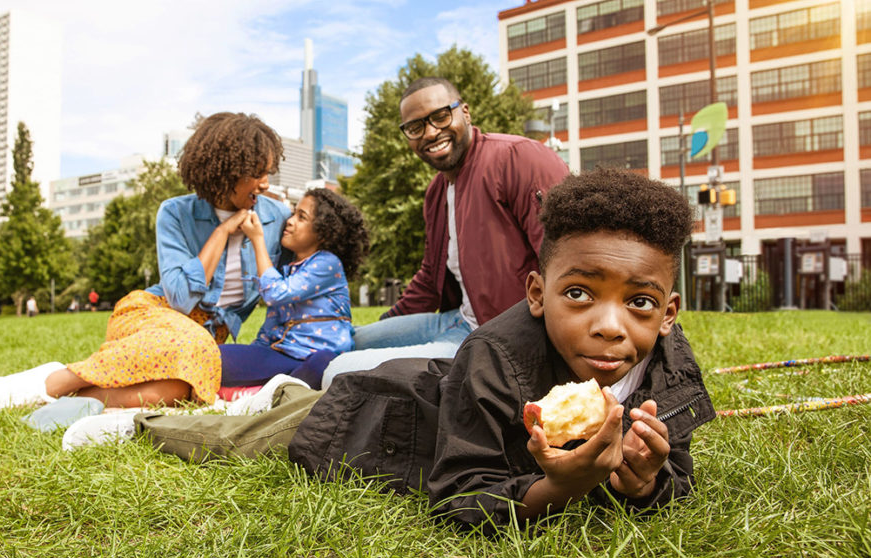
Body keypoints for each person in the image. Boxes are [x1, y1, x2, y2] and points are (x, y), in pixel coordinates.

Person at [128, 168, 715, 532]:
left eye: (639, 302)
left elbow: (674, 473)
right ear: (537, 293)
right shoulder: (496, 353)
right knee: (246, 436)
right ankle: (133, 421)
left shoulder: (666, 371)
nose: (611, 326)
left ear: (668, 314)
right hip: (377, 417)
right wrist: (561, 487)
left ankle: (281, 393)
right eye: (581, 293)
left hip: (439, 385)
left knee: (278, 404)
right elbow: (460, 494)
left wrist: (644, 482)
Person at [0, 112, 288, 410]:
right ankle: (51, 383)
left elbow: (294, 286)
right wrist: (221, 234)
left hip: (201, 339)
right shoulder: (175, 212)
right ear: (225, 171)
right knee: (195, 343)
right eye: (255, 174)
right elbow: (179, 298)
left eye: (267, 173)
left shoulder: (277, 218)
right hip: (153, 312)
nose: (265, 184)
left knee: (178, 390)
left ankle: (65, 400)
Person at [321, 77, 569, 388]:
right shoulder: (437, 191)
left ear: (465, 112)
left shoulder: (518, 158)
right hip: (457, 320)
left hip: (499, 339)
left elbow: (566, 259)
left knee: (339, 371)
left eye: (440, 116)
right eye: (415, 127)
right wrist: (392, 324)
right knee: (348, 339)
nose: (430, 132)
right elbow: (430, 276)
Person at [218, 188, 369, 391]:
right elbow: (271, 328)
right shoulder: (291, 270)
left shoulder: (327, 263)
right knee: (215, 357)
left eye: (301, 217)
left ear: (323, 232)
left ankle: (272, 392)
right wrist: (248, 357)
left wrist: (257, 239)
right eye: (293, 213)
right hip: (284, 356)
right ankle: (272, 391)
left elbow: (275, 293)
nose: (290, 221)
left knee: (323, 362)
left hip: (314, 359)